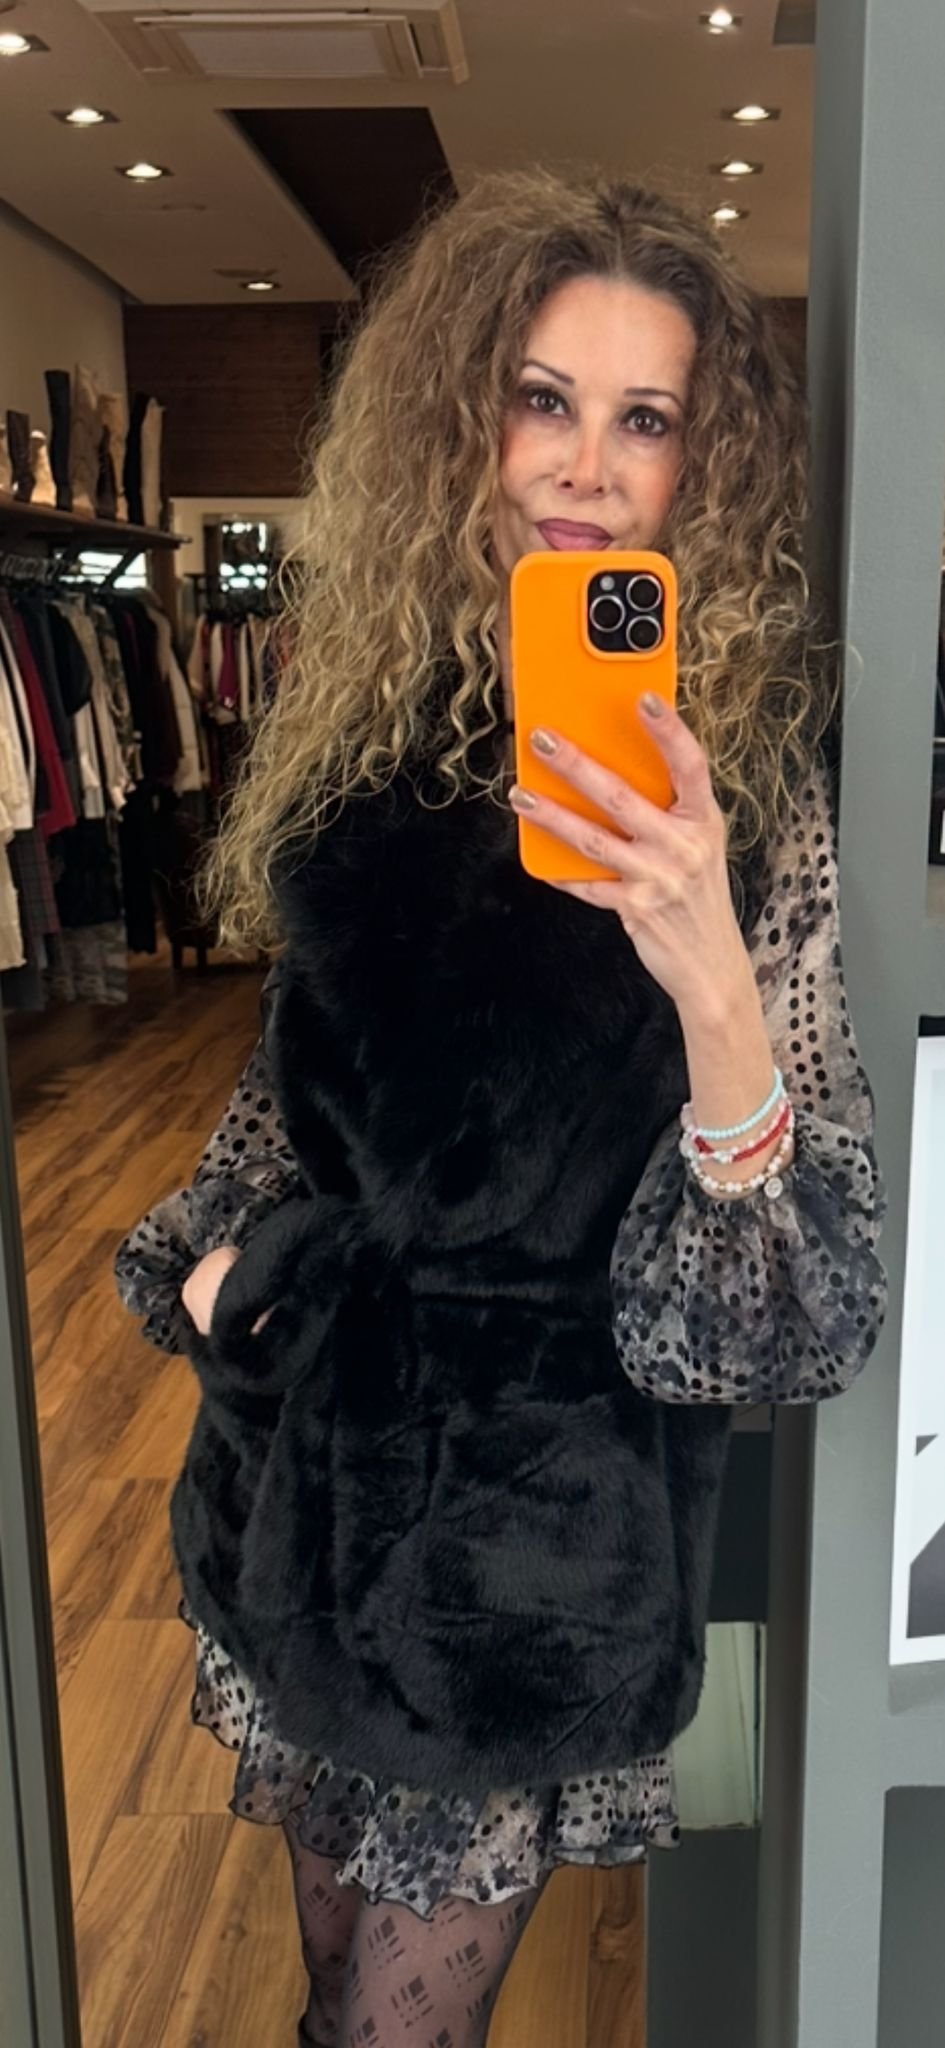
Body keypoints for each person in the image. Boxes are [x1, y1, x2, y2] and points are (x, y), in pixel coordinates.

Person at [116, 168, 888, 2048]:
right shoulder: (360, 741)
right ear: (464, 417)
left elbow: (794, 1324)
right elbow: (282, 1121)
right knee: (333, 2006)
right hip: (301, 1497)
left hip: (528, 1566)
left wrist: (706, 971)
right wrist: (220, 1284)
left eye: (646, 420)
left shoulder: (743, 798)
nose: (584, 467)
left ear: (702, 471)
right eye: (542, 397)